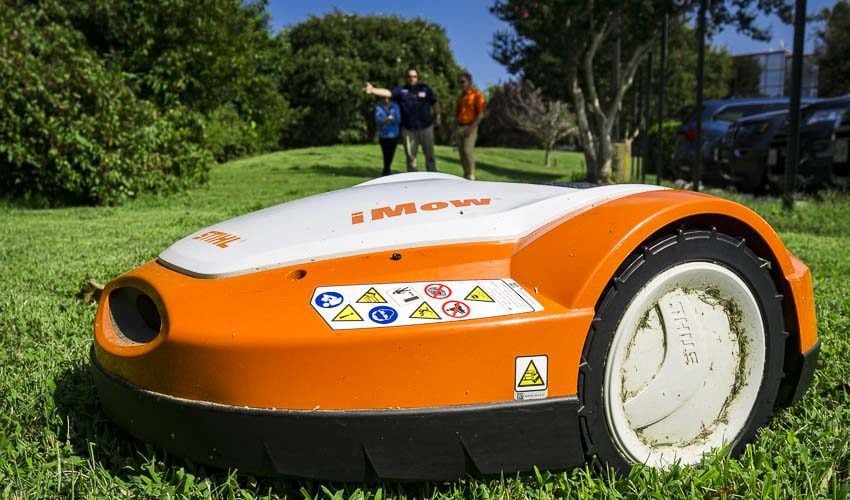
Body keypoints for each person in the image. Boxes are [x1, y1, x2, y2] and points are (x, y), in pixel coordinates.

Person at [364, 66, 441, 172]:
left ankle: (433, 177)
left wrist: (438, 117)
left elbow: (435, 103)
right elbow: (388, 93)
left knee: (430, 156)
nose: (412, 78)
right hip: (409, 130)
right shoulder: (401, 90)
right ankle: (413, 178)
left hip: (426, 127)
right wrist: (373, 90)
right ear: (406, 78)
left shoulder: (425, 88)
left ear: (417, 77)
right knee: (410, 158)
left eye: (414, 76)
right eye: (409, 76)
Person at [454, 72, 486, 180]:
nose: (460, 84)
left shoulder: (477, 95)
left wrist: (471, 128)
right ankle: (466, 175)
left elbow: (481, 114)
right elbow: (456, 114)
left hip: (470, 126)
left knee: (467, 151)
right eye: (459, 82)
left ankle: (471, 175)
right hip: (459, 126)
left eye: (462, 82)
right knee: (461, 153)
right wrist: (453, 130)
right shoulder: (460, 97)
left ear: (469, 82)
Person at [374, 96, 401, 176]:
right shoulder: (379, 107)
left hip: (393, 134)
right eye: (384, 98)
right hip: (383, 134)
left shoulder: (395, 106)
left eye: (388, 98)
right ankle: (386, 169)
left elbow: (398, 119)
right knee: (385, 153)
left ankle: (386, 170)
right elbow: (377, 120)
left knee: (391, 153)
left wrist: (392, 119)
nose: (386, 100)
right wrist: (385, 120)